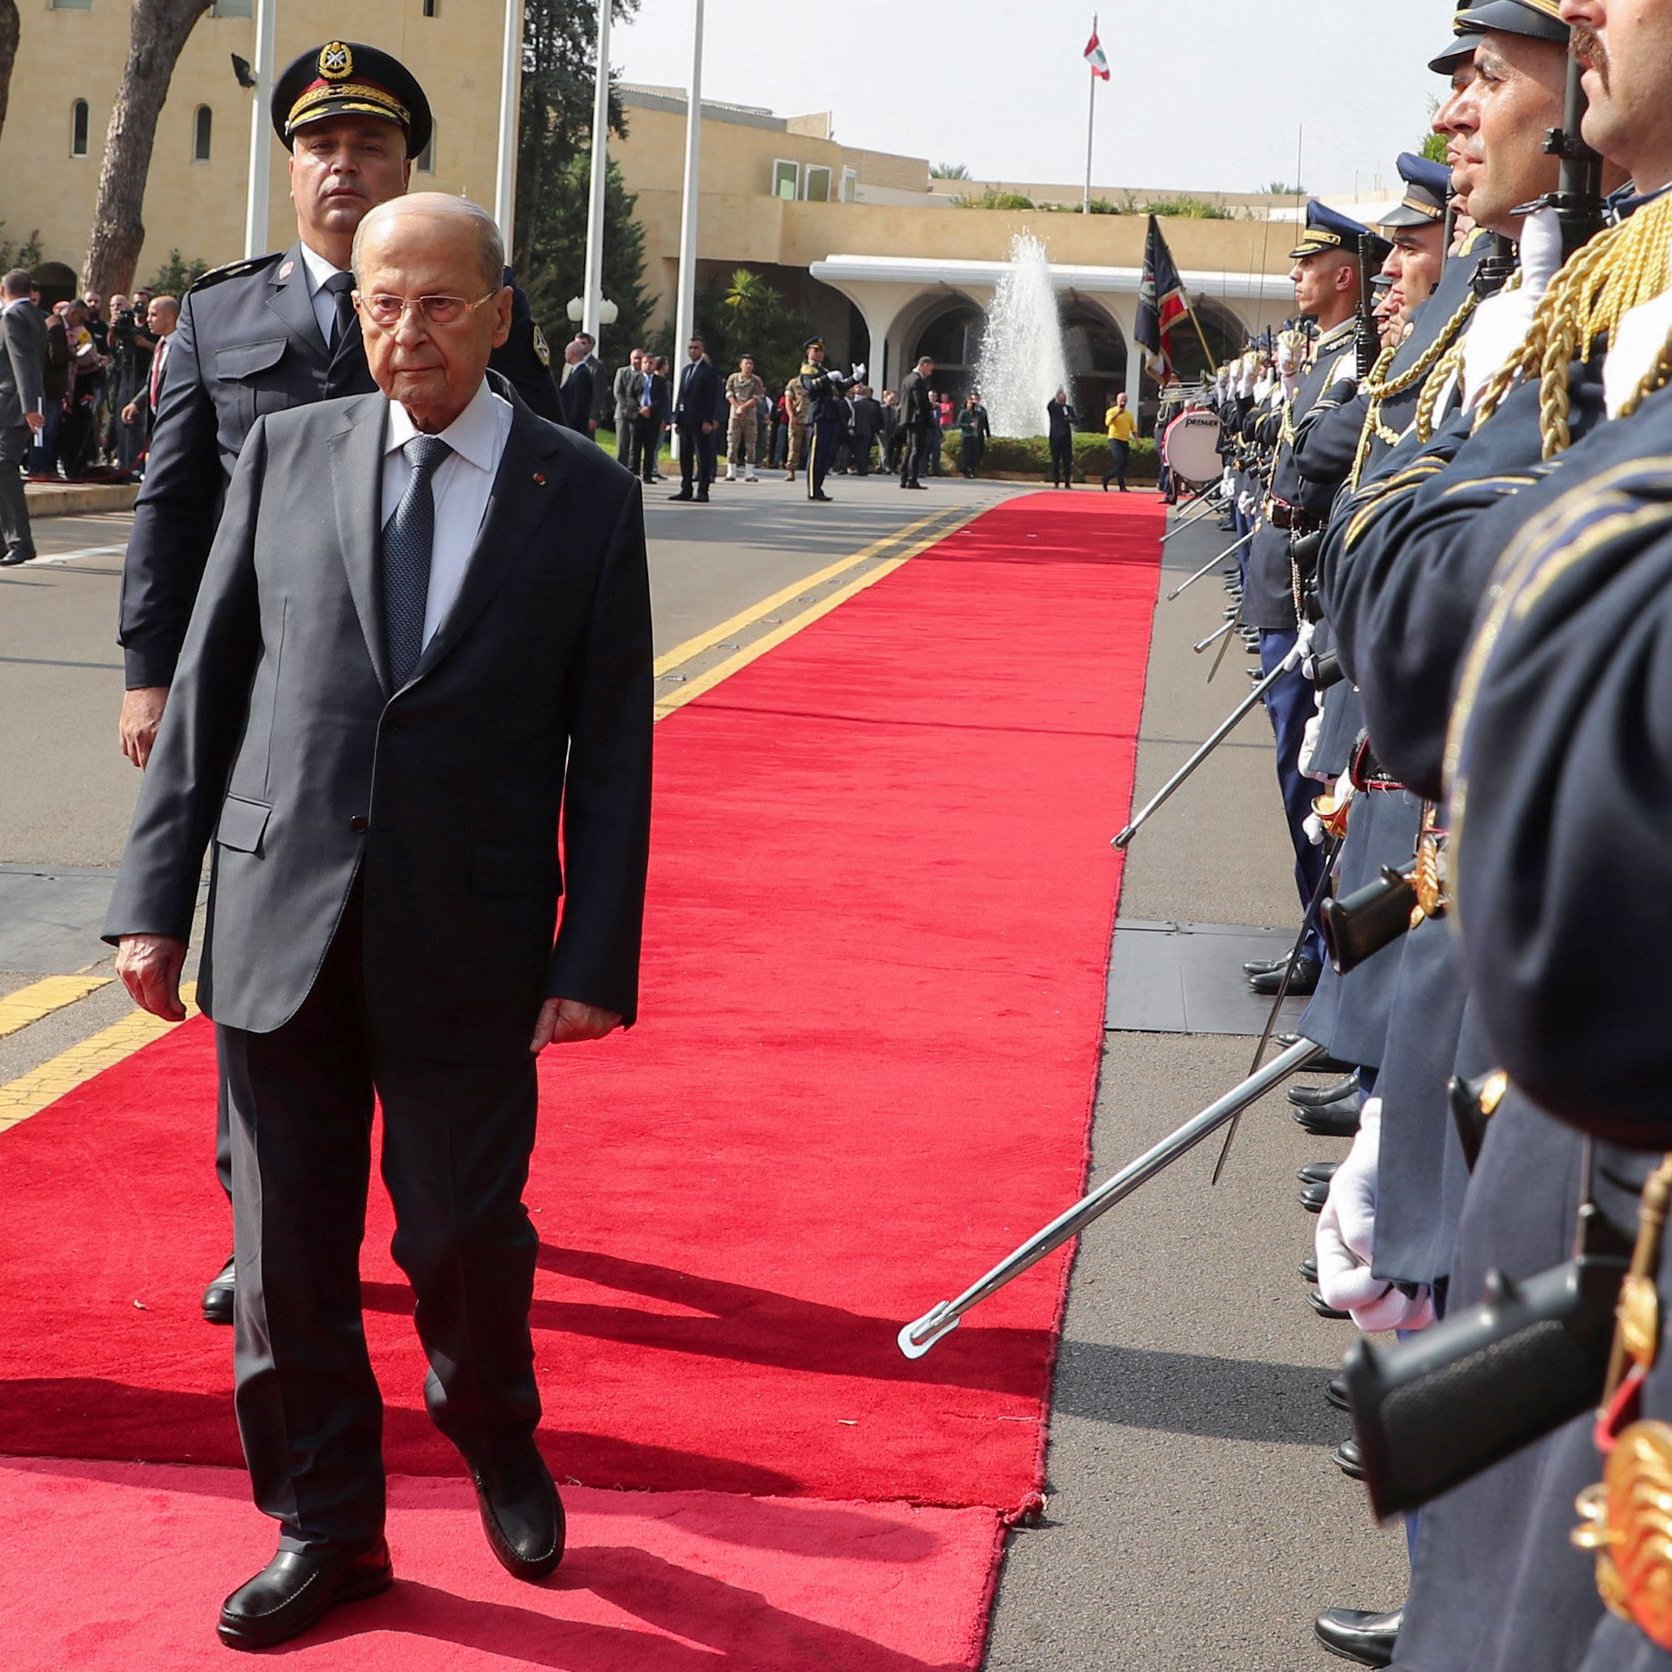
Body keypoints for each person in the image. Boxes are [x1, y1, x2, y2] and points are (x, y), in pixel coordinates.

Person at [104, 191, 652, 1653]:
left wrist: (594, 957)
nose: (405, 331)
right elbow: (210, 687)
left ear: (500, 315)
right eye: (380, 303)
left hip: (470, 933)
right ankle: (328, 1525)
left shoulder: (583, 496)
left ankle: (495, 1432)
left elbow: (612, 752)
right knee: (285, 1256)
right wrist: (152, 905)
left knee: (461, 1233)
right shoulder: (288, 452)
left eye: (438, 303)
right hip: (278, 915)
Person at [114, 39, 565, 1330]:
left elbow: (530, 480)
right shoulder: (223, 314)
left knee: (405, 941)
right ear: (293, 168)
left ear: (407, 163)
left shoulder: (474, 298)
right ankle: (259, 1219)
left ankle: (437, 1205)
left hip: (419, 682)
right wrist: (151, 672)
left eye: (370, 145)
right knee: (261, 937)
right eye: (320, 146)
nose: (343, 165)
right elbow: (173, 504)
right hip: (264, 683)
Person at [0, 268, 45, 566]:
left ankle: (19, 541)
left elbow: (22, 361)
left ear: (3, 290)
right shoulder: (34, 314)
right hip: (20, 403)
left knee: (4, 468)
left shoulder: (12, 317)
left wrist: (30, 406)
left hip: (13, 405)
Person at [797, 335, 861, 502]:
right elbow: (810, 386)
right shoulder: (807, 370)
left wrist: (855, 378)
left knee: (825, 455)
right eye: (816, 350)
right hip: (819, 414)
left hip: (830, 415)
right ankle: (813, 490)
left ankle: (818, 488)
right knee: (816, 454)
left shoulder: (824, 370)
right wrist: (828, 378)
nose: (819, 354)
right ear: (808, 352)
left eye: (821, 351)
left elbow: (839, 388)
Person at [119, 294, 180, 464]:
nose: (148, 320)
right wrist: (136, 403)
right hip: (155, 422)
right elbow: (154, 382)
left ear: (169, 317)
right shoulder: (161, 344)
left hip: (173, 424)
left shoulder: (183, 347)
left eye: (154, 315)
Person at [669, 335, 719, 502]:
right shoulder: (686, 370)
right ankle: (686, 489)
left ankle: (703, 491)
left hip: (700, 422)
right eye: (690, 348)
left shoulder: (708, 371)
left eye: (696, 348)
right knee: (685, 456)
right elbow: (681, 395)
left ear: (702, 350)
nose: (692, 351)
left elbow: (711, 398)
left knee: (702, 457)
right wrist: (676, 417)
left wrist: (708, 420)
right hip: (685, 421)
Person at [724, 353, 766, 482]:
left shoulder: (756, 380)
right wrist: (738, 407)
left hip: (750, 415)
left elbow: (757, 397)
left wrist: (744, 407)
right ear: (740, 365)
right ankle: (731, 472)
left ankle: (749, 473)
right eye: (746, 363)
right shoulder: (733, 378)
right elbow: (729, 394)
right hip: (735, 415)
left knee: (750, 444)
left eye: (751, 364)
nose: (749, 366)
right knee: (732, 442)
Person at [897, 357, 935, 489]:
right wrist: (931, 405)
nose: (930, 372)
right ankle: (912, 479)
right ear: (924, 365)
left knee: (909, 448)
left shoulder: (907, 378)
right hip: (917, 419)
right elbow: (920, 402)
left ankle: (904, 477)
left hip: (908, 418)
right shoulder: (917, 380)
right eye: (930, 369)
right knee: (917, 449)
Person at [635, 352, 666, 485]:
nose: (648, 365)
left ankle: (647, 474)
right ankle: (634, 473)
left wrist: (650, 409)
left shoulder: (660, 381)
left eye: (651, 363)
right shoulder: (636, 378)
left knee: (650, 447)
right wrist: (640, 408)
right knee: (635, 447)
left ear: (654, 365)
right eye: (645, 362)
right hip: (637, 416)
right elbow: (630, 395)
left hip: (653, 418)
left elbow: (662, 399)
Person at [612, 347, 643, 467]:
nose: (637, 361)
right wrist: (626, 408)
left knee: (635, 446)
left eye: (640, 358)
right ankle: (620, 469)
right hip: (622, 413)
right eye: (635, 358)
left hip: (639, 414)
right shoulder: (622, 371)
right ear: (630, 359)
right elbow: (618, 391)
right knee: (622, 444)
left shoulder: (644, 375)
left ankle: (633, 470)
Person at [1101, 390, 1137, 490]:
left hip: (1125, 440)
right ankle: (1107, 478)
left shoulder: (1129, 414)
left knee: (1124, 464)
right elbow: (1107, 423)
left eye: (1125, 400)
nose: (1123, 402)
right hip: (1114, 439)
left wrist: (1137, 441)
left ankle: (1120, 486)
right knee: (1120, 461)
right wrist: (1117, 414)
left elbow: (1133, 429)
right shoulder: (1111, 411)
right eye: (1121, 400)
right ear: (1117, 401)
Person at [558, 338, 595, 434]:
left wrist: (571, 424)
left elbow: (579, 402)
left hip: (575, 426)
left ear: (573, 353)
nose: (565, 354)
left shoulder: (582, 374)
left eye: (566, 352)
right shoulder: (574, 372)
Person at [1046, 386, 1076, 487]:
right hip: (1055, 437)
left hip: (1066, 438)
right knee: (1055, 460)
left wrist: (1070, 419)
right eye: (1061, 399)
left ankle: (1067, 482)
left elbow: (1076, 420)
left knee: (1067, 460)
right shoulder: (1054, 408)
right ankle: (1056, 481)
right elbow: (1049, 405)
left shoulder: (1069, 408)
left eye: (1065, 399)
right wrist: (1056, 395)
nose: (1063, 401)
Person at [959, 391, 991, 477]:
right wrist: (970, 425)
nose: (975, 401)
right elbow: (960, 423)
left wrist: (988, 434)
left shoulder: (982, 410)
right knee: (969, 453)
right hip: (969, 434)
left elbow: (986, 422)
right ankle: (968, 470)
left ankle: (973, 469)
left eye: (977, 399)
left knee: (979, 452)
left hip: (979, 433)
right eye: (973, 399)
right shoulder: (966, 411)